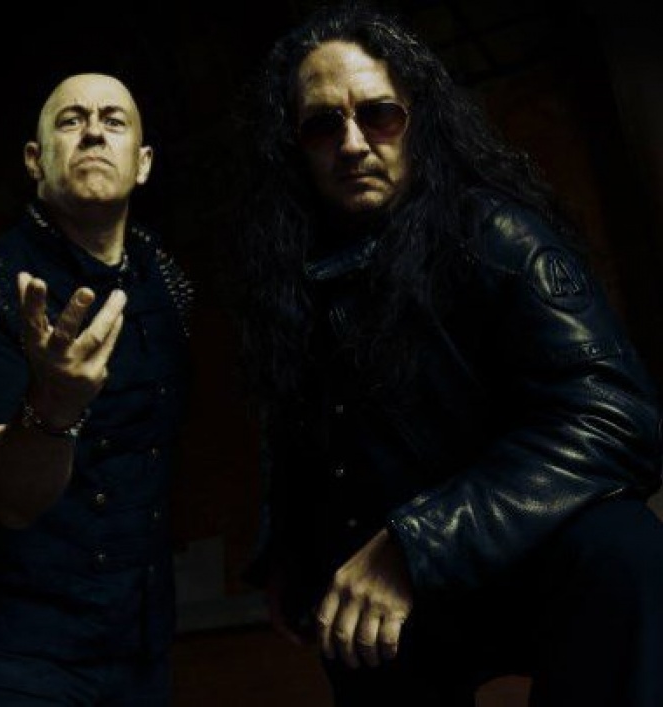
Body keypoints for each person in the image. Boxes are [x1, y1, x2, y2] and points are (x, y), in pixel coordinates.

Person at [228, 3, 663, 705]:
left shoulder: (498, 237)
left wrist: (415, 544)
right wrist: (286, 551)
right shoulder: (291, 277)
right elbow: (298, 430)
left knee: (624, 547)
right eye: (321, 125)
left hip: (522, 553)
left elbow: (615, 417)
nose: (352, 143)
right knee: (351, 628)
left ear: (417, 121)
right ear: (295, 149)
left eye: (378, 115)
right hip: (397, 604)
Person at [0, 72, 192, 705]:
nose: (94, 131)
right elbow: (10, 501)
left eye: (113, 121)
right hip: (13, 650)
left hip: (141, 647)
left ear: (143, 163)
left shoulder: (168, 285)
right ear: (34, 161)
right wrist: (54, 406)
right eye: (72, 120)